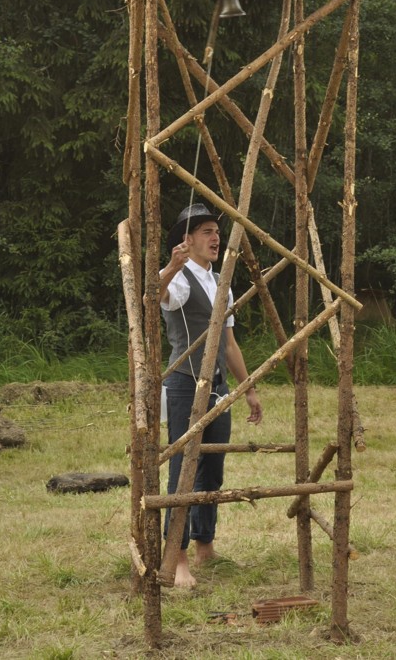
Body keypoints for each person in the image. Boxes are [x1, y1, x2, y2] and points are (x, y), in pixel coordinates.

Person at [159, 202, 263, 587]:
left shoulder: (222, 283)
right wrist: (171, 266)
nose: (215, 237)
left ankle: (206, 545)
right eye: (206, 232)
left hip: (218, 385)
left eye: (216, 232)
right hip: (186, 383)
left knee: (212, 468)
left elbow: (230, 345)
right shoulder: (179, 278)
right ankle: (177, 557)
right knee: (183, 471)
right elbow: (153, 295)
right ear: (187, 240)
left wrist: (248, 389)